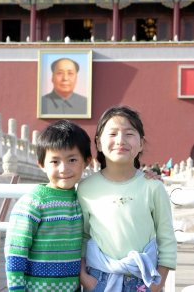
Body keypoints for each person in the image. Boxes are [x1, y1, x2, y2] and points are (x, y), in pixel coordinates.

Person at [77, 105, 177, 292]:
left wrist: (157, 285)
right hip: (99, 278)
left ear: (141, 143)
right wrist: (84, 278)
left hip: (143, 279)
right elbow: (82, 236)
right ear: (98, 143)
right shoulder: (86, 188)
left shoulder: (153, 187)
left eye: (129, 134)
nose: (120, 140)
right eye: (112, 134)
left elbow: (166, 239)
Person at [4, 119, 91, 292]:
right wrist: (16, 289)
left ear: (86, 161)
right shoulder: (33, 202)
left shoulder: (82, 199)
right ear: (42, 164)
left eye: (72, 159)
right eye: (55, 161)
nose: (63, 168)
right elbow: (15, 251)